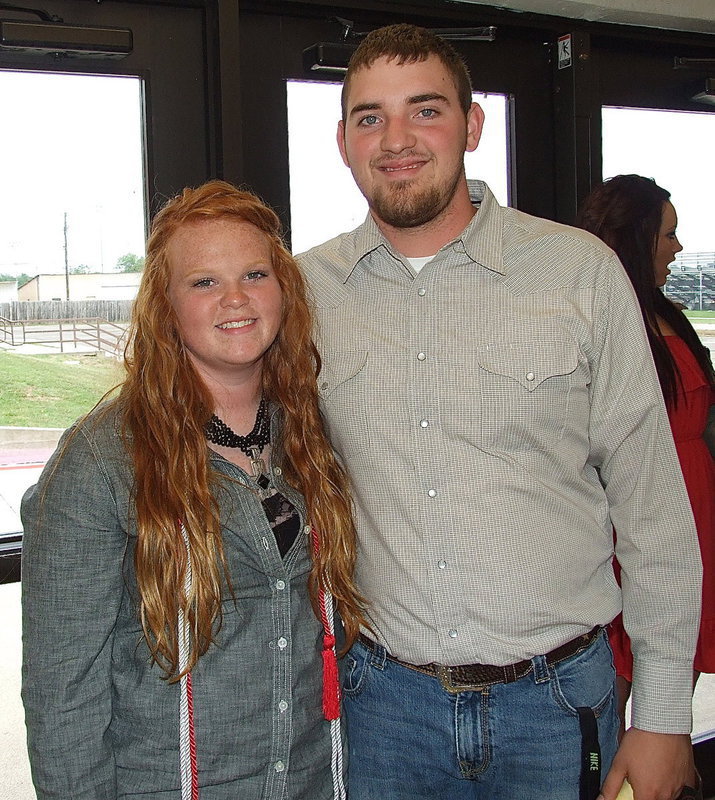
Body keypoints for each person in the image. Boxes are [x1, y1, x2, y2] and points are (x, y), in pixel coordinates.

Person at [298, 23, 702, 800]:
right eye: (370, 117)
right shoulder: (306, 292)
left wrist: (661, 716)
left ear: (472, 124)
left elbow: (653, 514)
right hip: (383, 712)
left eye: (426, 110)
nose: (397, 140)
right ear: (343, 141)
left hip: (557, 706)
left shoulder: (576, 273)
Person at [21, 180, 364, 800]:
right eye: (204, 281)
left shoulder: (313, 435)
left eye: (255, 274)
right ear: (165, 304)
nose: (235, 298)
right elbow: (62, 692)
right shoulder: (102, 459)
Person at [577, 175, 715, 726]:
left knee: (671, 688)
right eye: (668, 236)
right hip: (626, 520)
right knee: (610, 692)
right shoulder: (604, 315)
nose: (678, 249)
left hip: (693, 510)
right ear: (638, 237)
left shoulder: (666, 312)